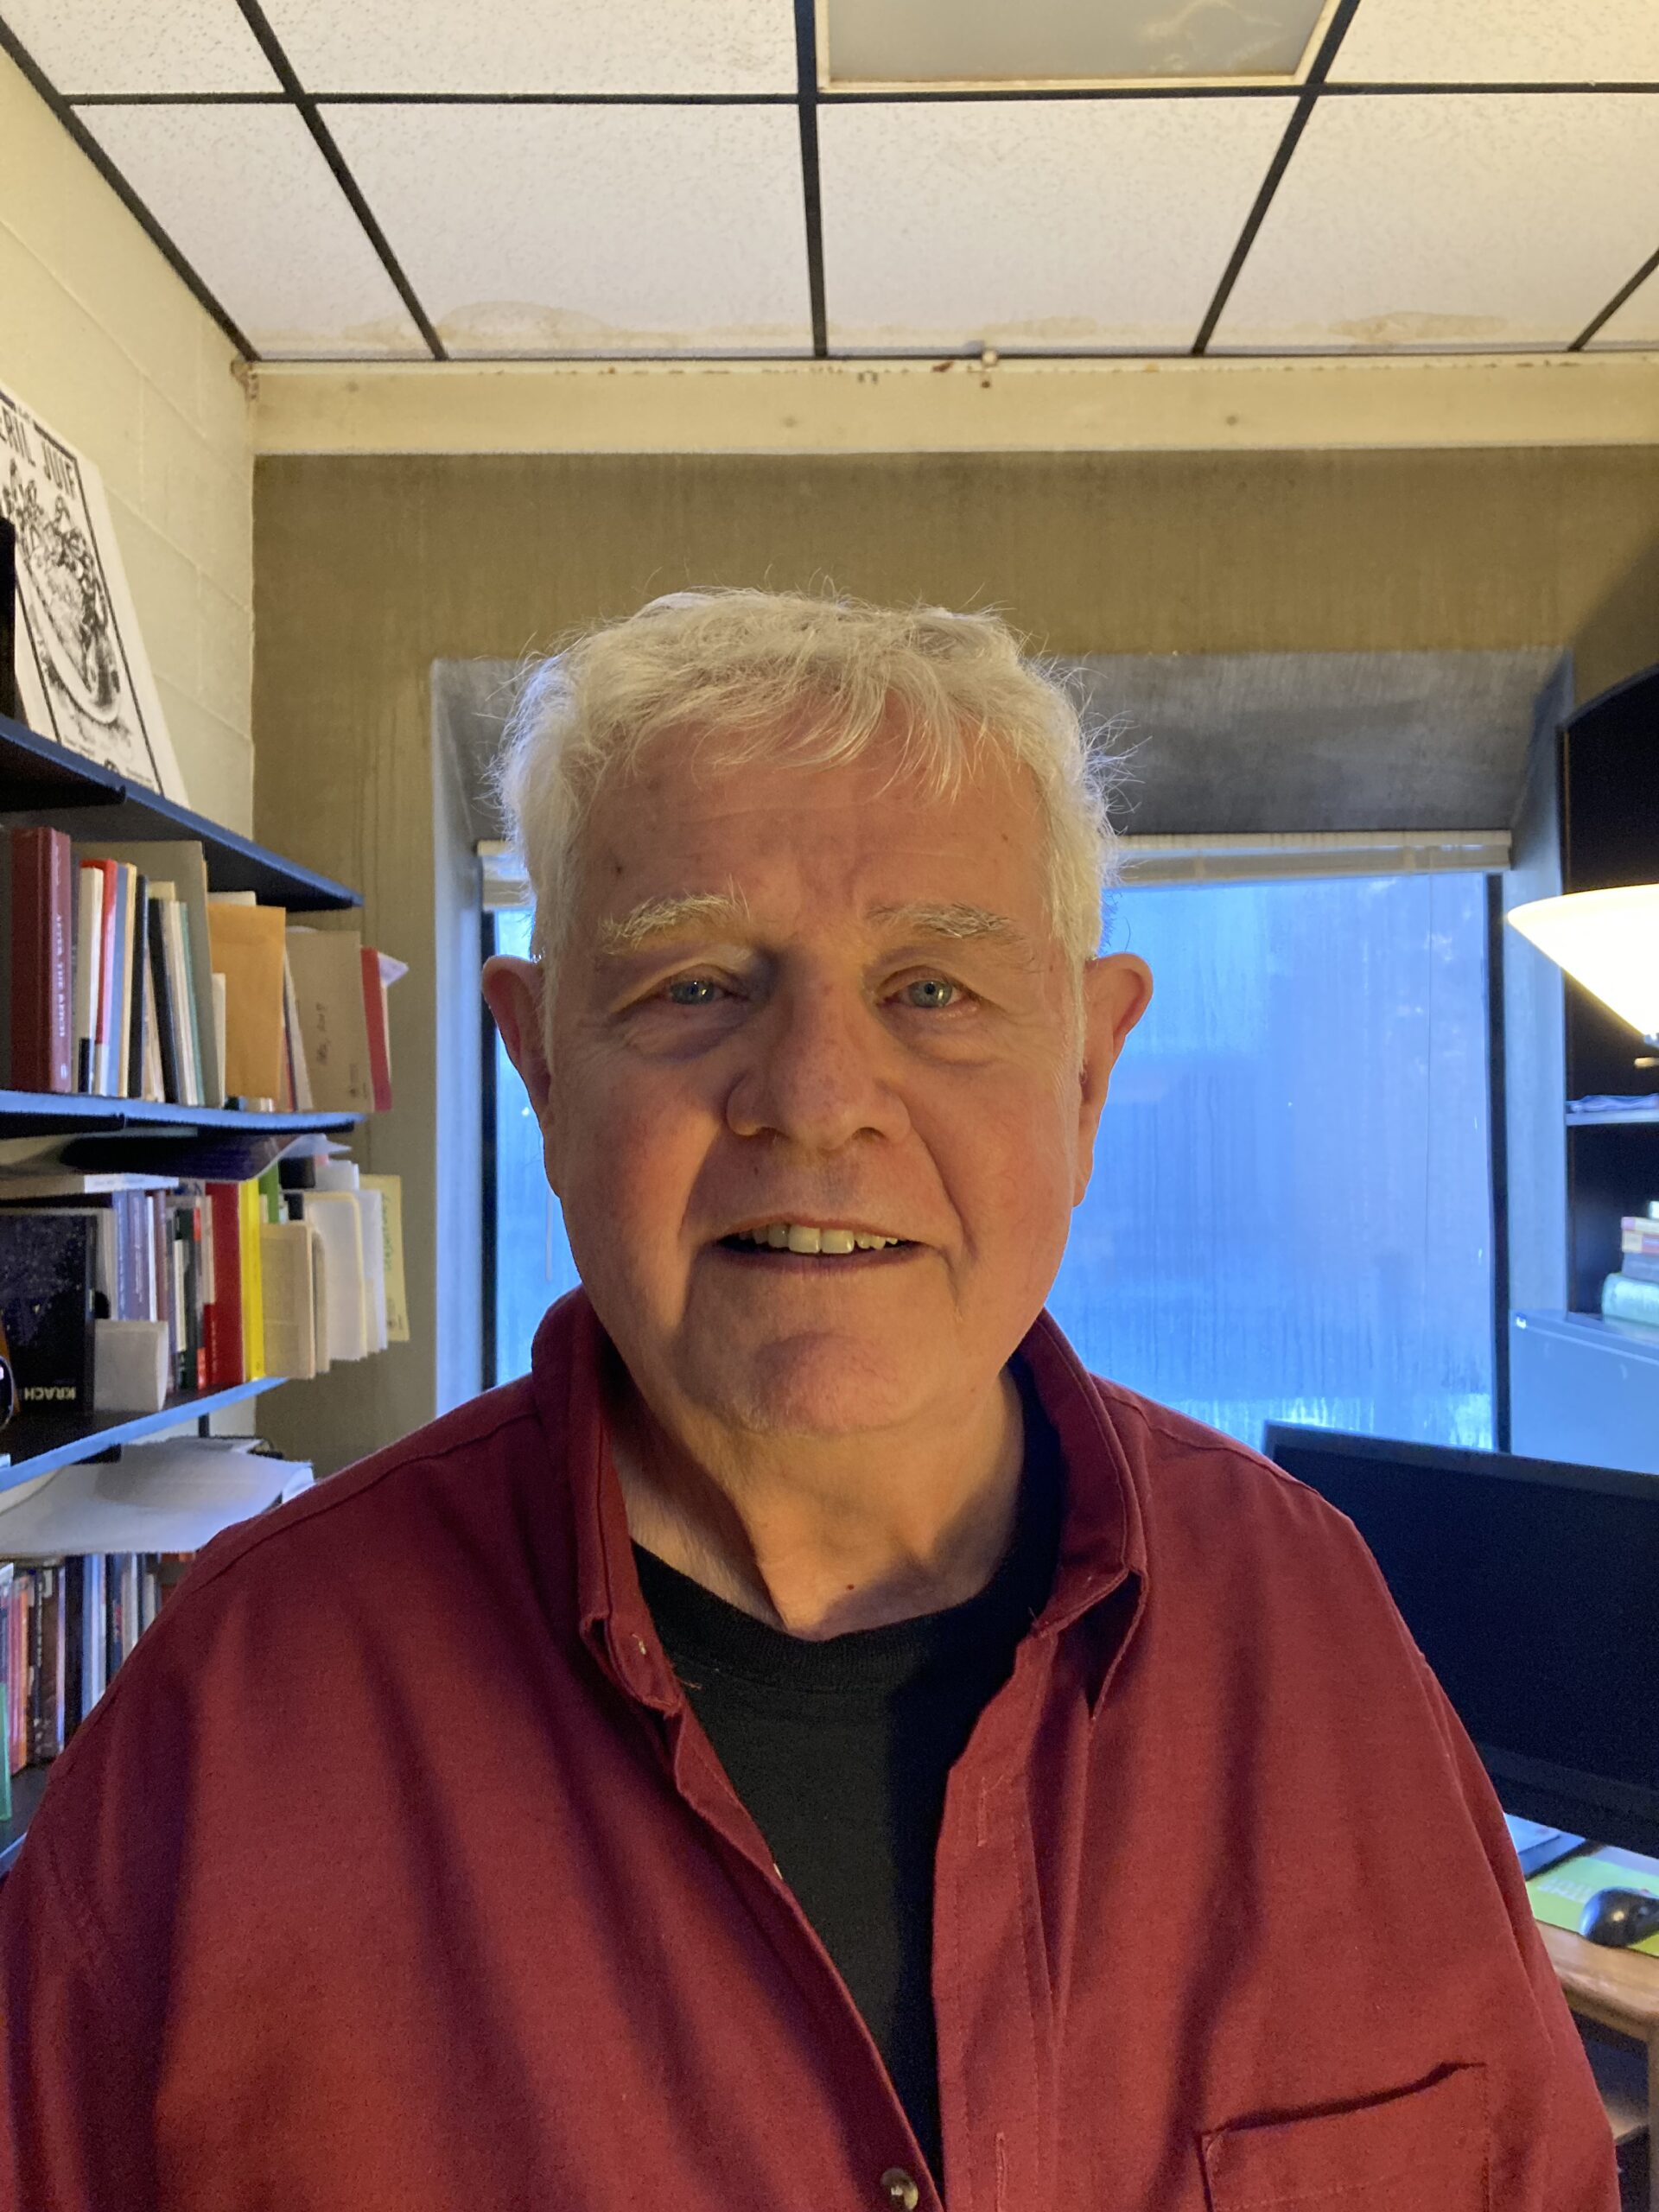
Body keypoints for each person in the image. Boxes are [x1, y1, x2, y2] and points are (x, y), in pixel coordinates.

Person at [0, 591, 1616, 2211]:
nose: (818, 1102)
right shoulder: (234, 1715)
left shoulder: (1316, 1627)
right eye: (696, 985)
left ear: (1089, 1073)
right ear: (541, 1071)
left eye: (933, 990)